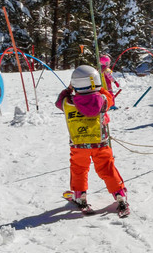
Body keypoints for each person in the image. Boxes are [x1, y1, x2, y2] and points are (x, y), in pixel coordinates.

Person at [55, 65, 129, 217]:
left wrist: (69, 89)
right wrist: (100, 88)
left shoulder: (67, 102)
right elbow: (110, 99)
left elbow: (59, 101)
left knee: (79, 170)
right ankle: (119, 194)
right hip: (100, 144)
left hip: (78, 145)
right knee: (107, 169)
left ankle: (80, 195)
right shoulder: (102, 100)